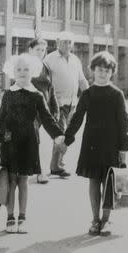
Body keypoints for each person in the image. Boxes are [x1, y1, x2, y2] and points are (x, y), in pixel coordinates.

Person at [0, 53, 65, 234]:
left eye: (26, 69)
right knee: (10, 181)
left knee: (23, 181)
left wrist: (57, 135)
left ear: (32, 71)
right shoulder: (8, 94)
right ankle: (10, 218)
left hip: (28, 143)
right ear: (13, 72)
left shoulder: (37, 95)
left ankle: (22, 218)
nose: (23, 72)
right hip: (10, 143)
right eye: (19, 69)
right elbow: (1, 119)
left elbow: (47, 119)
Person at [63, 51, 128, 236]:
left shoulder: (117, 94)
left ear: (112, 72)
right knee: (94, 181)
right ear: (92, 71)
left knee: (109, 183)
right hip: (91, 144)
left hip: (111, 145)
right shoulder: (87, 93)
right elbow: (77, 119)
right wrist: (67, 139)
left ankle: (106, 220)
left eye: (107, 70)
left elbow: (124, 122)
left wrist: (124, 148)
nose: (103, 74)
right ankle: (95, 219)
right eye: (99, 70)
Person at [44, 31, 89, 177]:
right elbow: (45, 82)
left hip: (72, 104)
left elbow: (82, 80)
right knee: (61, 133)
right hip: (58, 103)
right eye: (64, 42)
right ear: (57, 42)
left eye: (69, 42)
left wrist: (90, 96)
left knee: (68, 134)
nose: (67, 45)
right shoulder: (49, 59)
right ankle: (56, 166)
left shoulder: (76, 60)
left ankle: (57, 163)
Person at [28, 38, 59, 184]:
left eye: (43, 50)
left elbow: (51, 89)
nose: (40, 52)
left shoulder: (45, 68)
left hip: (45, 110)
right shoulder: (24, 66)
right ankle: (40, 172)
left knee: (42, 141)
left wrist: (55, 108)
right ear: (30, 50)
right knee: (34, 139)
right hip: (30, 110)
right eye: (37, 49)